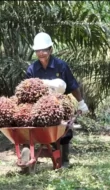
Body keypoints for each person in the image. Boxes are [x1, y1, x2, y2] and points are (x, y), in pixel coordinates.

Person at [25, 32, 89, 168]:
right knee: (36, 129)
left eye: (44, 50)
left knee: (64, 130)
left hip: (61, 103)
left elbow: (72, 85)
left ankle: (64, 160)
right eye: (38, 51)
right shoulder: (32, 69)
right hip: (40, 106)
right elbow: (27, 89)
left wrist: (81, 103)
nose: (41, 53)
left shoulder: (61, 66)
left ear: (50, 49)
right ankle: (33, 153)